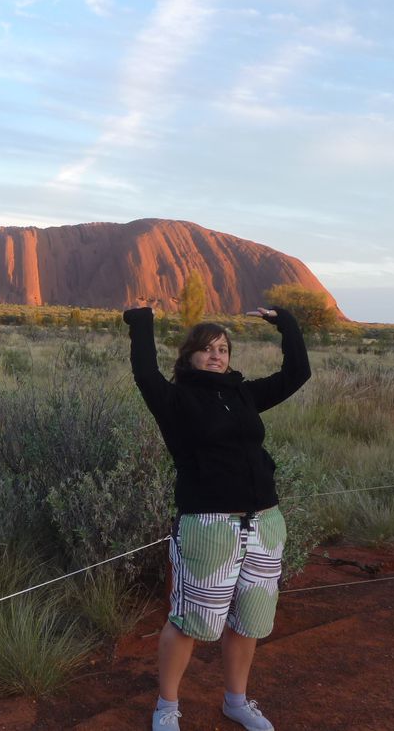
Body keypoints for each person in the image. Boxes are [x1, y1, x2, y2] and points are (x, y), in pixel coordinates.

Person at [122, 301, 311, 731]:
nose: (217, 355)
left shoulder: (242, 393)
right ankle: (167, 706)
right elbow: (145, 373)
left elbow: (297, 375)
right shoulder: (175, 399)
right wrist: (142, 322)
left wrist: (288, 325)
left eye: (223, 348)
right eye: (207, 348)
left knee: (249, 621)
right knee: (190, 620)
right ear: (189, 355)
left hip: (264, 522)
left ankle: (236, 701)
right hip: (210, 527)